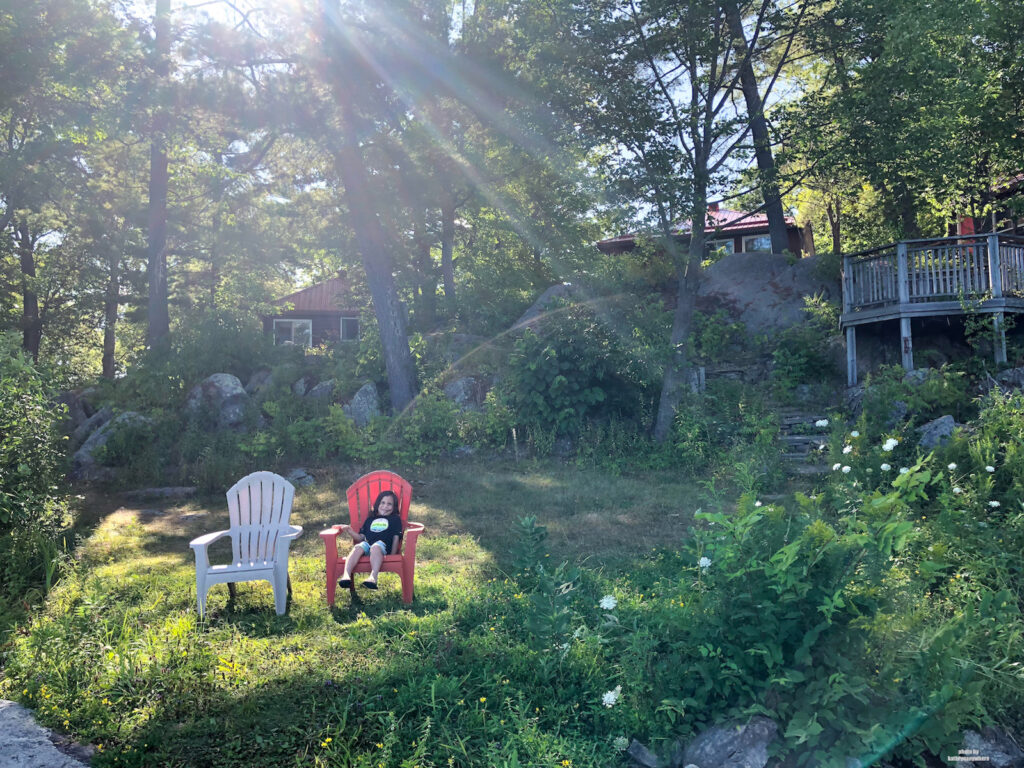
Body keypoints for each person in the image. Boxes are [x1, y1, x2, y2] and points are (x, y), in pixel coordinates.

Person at [337, 490, 403, 590]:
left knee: (376, 546)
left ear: (394, 507)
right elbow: (360, 537)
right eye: (383, 503)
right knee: (358, 546)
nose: (385, 506)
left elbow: (396, 537)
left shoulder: (395, 519)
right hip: (367, 546)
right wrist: (350, 531)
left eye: (389, 504)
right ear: (378, 504)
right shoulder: (370, 519)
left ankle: (373, 577)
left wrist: (392, 555)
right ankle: (346, 575)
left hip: (382, 549)